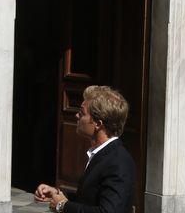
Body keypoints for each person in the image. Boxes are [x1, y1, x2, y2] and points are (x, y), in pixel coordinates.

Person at [34, 85, 135, 213]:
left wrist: (63, 206)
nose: (76, 115)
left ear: (98, 124)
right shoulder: (100, 154)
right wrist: (56, 194)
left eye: (82, 113)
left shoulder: (118, 162)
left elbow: (107, 211)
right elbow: (88, 200)